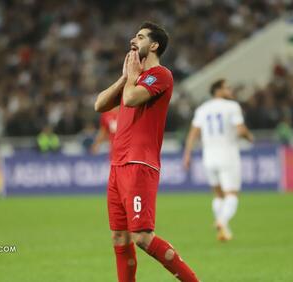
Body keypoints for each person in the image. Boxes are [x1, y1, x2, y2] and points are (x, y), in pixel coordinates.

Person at [94, 22, 199, 282]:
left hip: (140, 164)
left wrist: (131, 79)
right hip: (118, 166)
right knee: (119, 236)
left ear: (154, 45)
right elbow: (99, 104)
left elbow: (130, 99)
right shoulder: (133, 78)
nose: (133, 39)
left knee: (141, 237)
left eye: (140, 37)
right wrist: (125, 76)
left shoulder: (161, 75)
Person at [183, 79, 254, 241]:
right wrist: (249, 137)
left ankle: (224, 230)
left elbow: (193, 133)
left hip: (208, 157)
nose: (230, 90)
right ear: (217, 90)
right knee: (232, 194)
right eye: (226, 88)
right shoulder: (232, 107)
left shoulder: (202, 109)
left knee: (218, 195)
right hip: (228, 155)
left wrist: (187, 154)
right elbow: (241, 130)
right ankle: (222, 221)